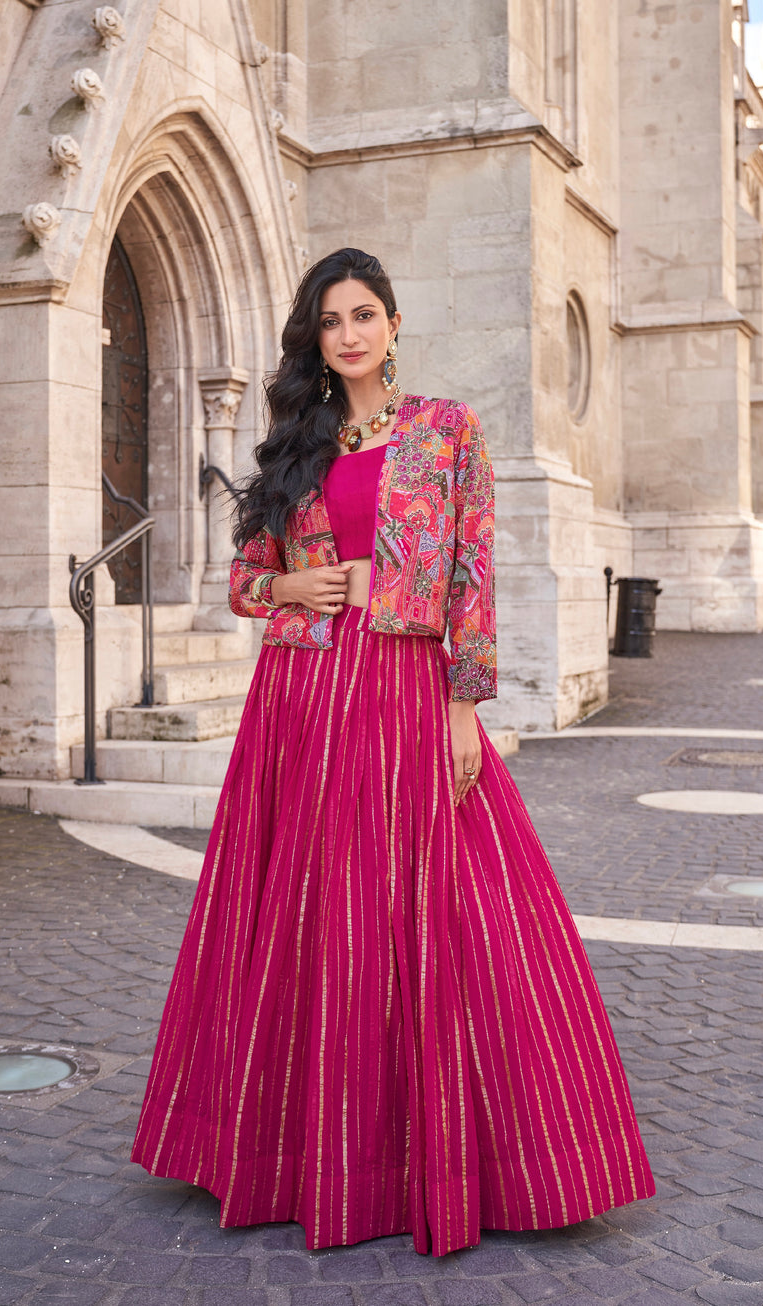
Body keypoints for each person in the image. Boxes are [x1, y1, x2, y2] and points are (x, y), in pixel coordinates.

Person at [131, 248, 654, 1256]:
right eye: (331, 322)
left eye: (364, 314)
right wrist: (288, 589)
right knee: (299, 912)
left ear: (396, 323)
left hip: (403, 690)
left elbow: (471, 573)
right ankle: (288, 1148)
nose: (350, 334)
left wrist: (465, 706)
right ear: (315, 341)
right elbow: (243, 577)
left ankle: (473, 1155)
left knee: (436, 905)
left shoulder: (445, 430)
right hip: (299, 699)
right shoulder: (299, 444)